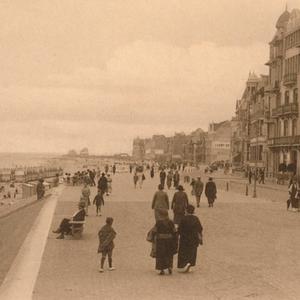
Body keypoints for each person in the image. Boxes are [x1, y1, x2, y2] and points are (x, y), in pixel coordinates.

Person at [177, 205, 203, 273]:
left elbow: (180, 229)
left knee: (183, 252)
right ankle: (190, 263)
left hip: (184, 238)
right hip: (194, 238)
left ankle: (185, 264)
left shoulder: (183, 219)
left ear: (186, 211)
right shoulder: (196, 218)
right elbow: (200, 228)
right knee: (192, 252)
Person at [152, 210, 177, 275]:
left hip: (160, 241)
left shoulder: (159, 223)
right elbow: (174, 232)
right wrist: (175, 240)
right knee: (169, 254)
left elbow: (154, 231)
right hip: (169, 241)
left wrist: (152, 237)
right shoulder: (171, 222)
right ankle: (169, 267)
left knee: (161, 255)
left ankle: (162, 269)